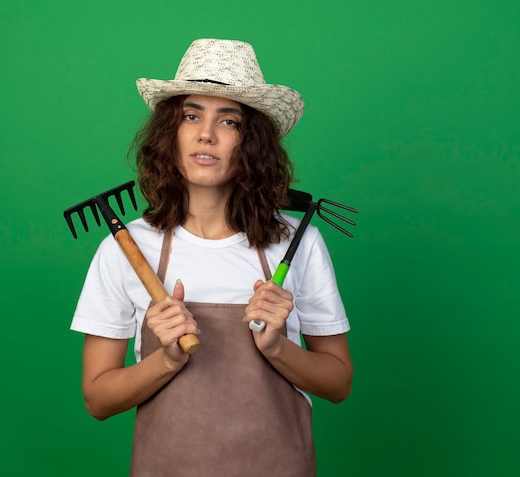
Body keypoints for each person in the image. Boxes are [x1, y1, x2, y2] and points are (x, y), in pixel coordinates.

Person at [70, 38, 353, 476]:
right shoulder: (125, 249)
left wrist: (277, 347)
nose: (207, 133)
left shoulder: (298, 243)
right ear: (171, 132)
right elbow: (98, 400)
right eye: (191, 115)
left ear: (251, 142)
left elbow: (338, 383)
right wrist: (165, 358)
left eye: (229, 120)